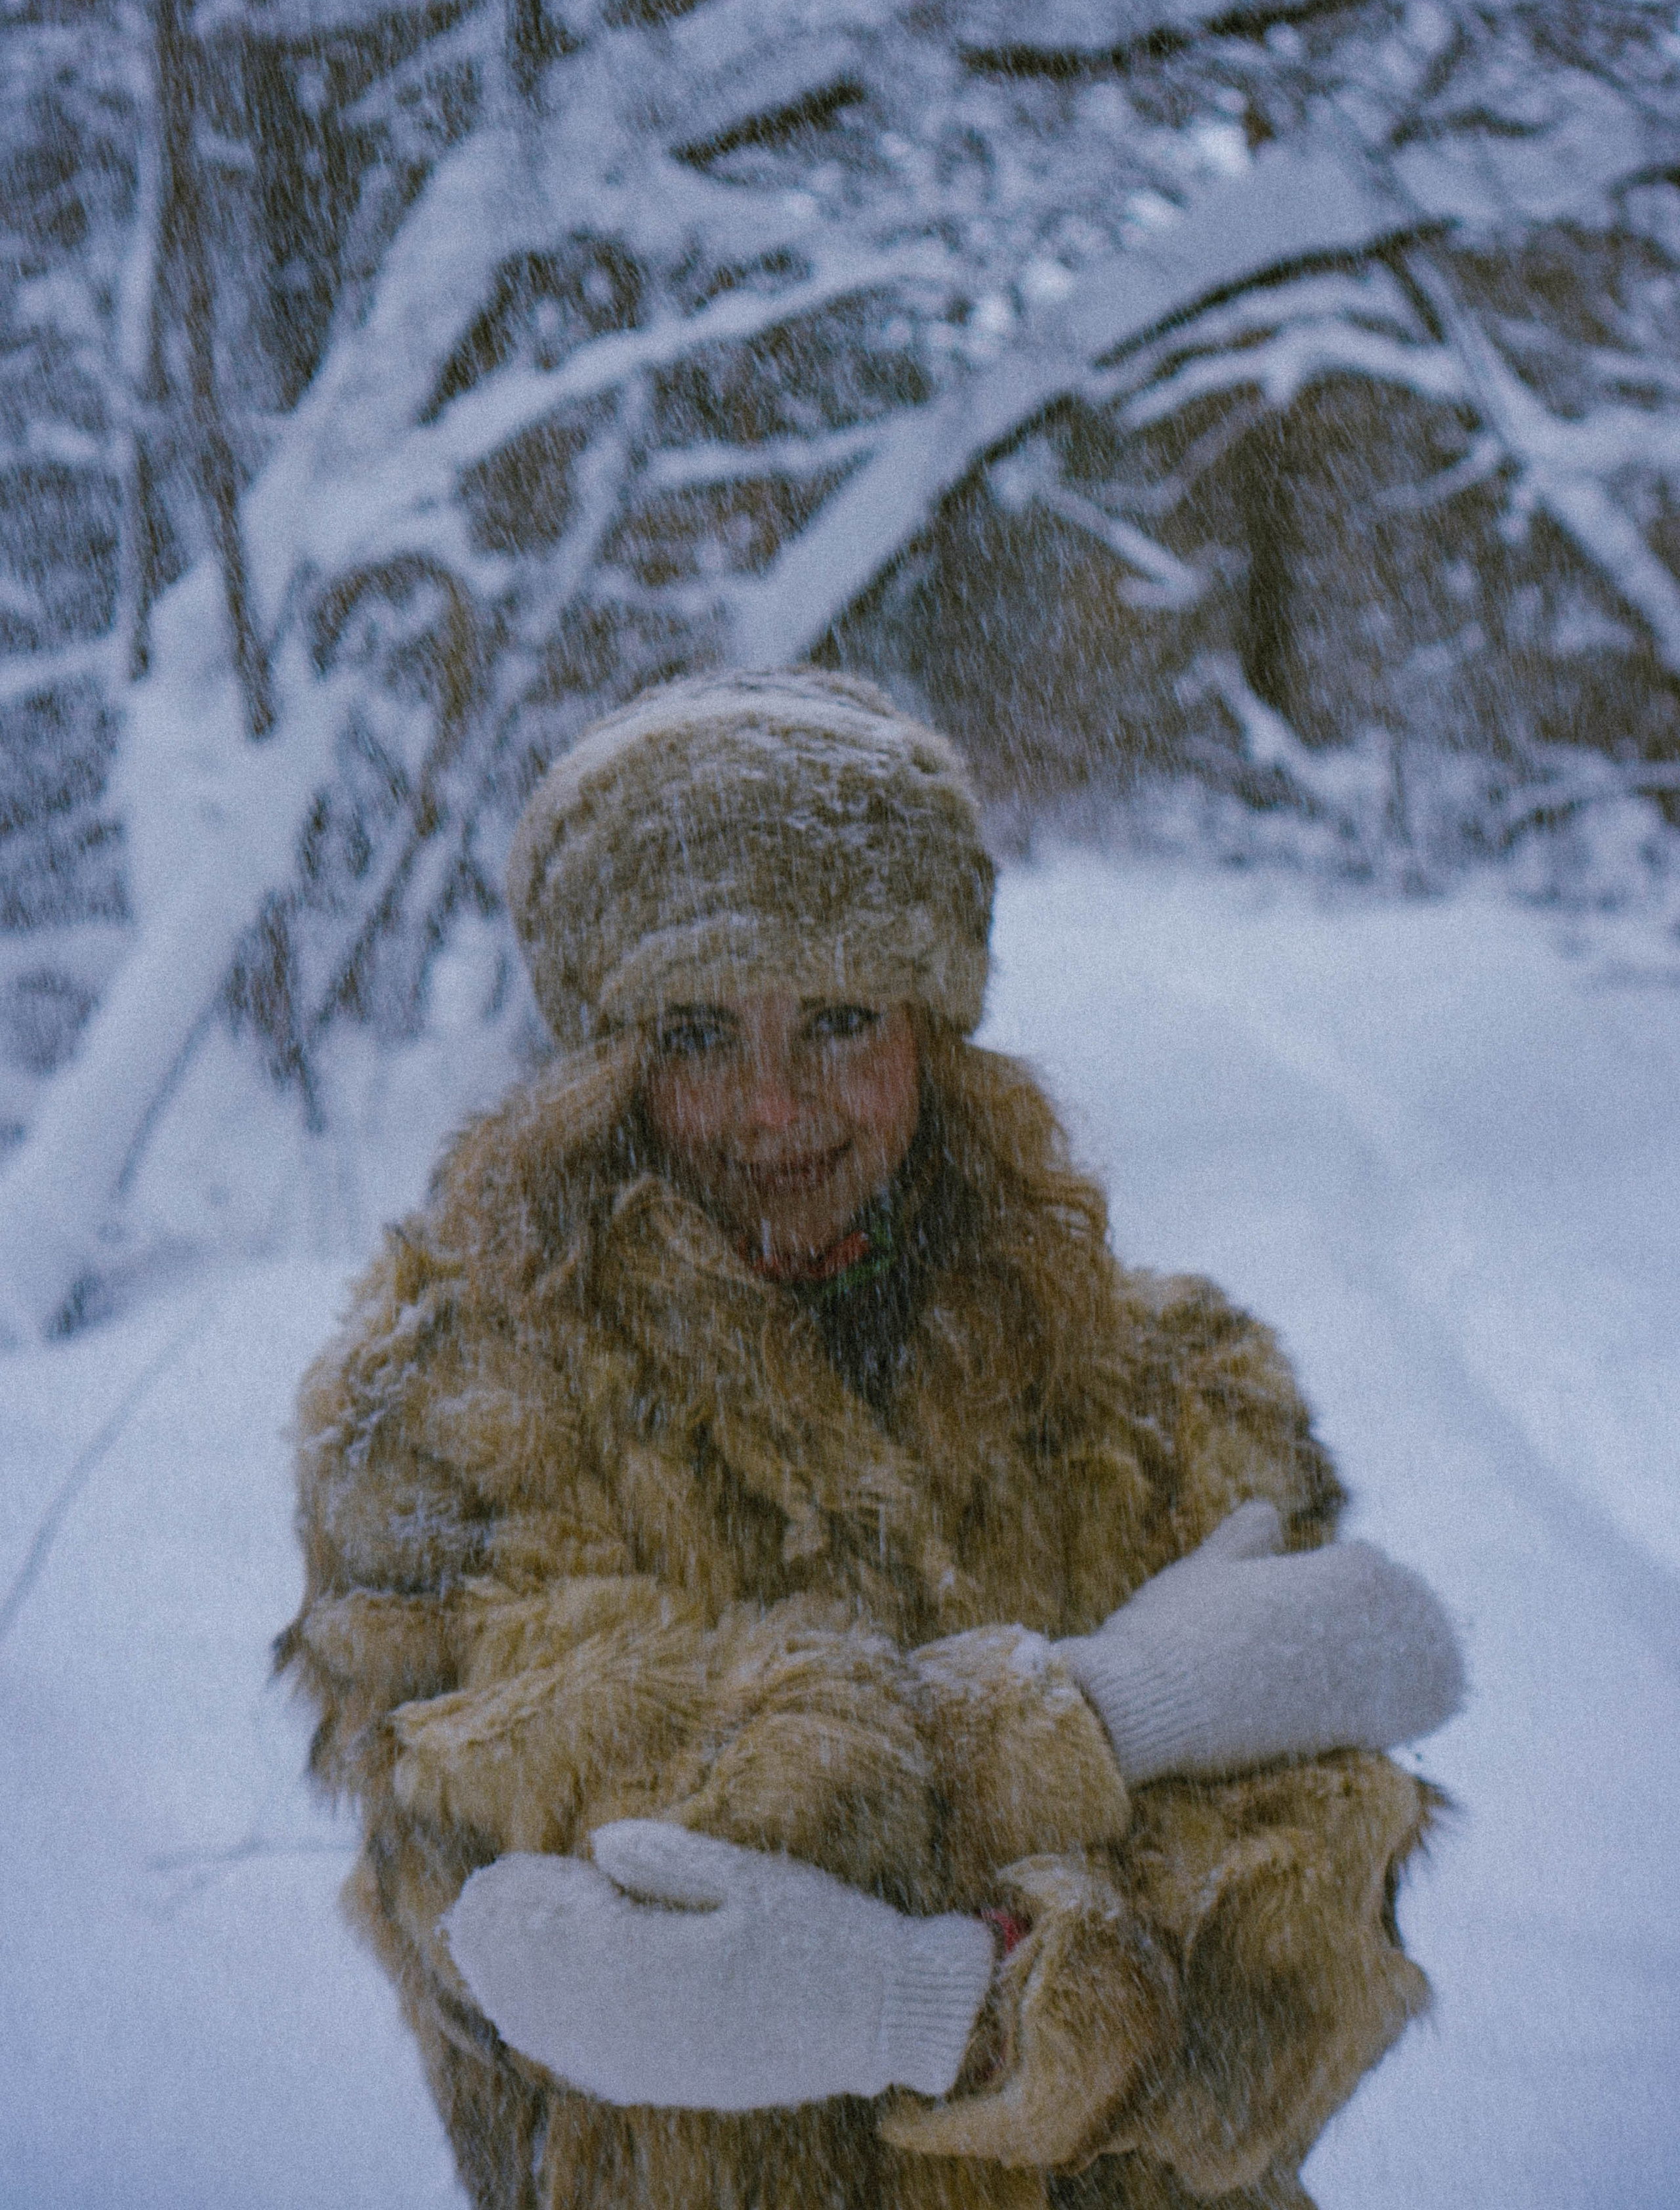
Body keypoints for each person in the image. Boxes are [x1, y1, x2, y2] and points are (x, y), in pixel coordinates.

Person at [278, 670, 1463, 2210]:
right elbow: (548, 1864)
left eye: (838, 1019)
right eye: (698, 1032)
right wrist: (1101, 1721)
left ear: (933, 1030)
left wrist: (955, 2014)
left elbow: (1310, 1914)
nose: (773, 1108)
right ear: (602, 1060)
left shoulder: (1170, 1390)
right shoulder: (447, 1403)